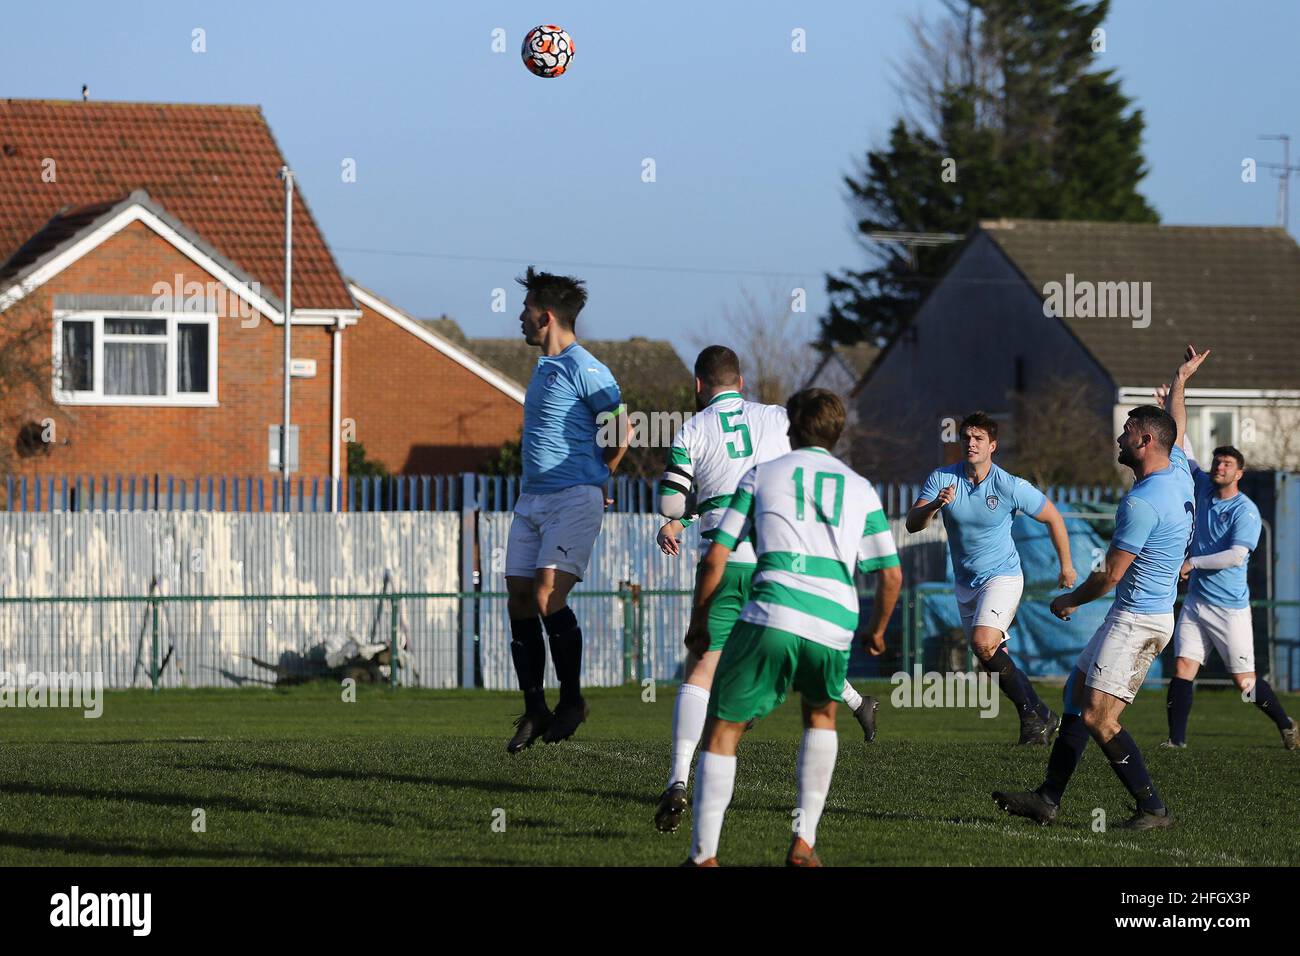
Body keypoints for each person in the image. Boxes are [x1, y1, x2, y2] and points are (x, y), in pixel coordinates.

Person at [652, 347, 881, 834]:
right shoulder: (777, 417)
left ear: (699, 386)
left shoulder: (693, 429)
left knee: (703, 667)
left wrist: (677, 517)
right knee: (798, 651)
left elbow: (674, 499)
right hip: (780, 559)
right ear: (741, 379)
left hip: (726, 557)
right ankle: (853, 714)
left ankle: (677, 782)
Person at [683, 389, 902, 866]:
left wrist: (700, 620)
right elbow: (890, 574)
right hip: (834, 619)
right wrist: (879, 630)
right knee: (821, 716)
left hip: (773, 611)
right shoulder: (861, 488)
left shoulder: (762, 474)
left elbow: (717, 555)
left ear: (791, 428)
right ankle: (804, 841)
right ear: (838, 433)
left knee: (723, 729)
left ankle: (704, 857)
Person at [993, 345, 1206, 830]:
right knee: (1075, 695)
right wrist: (1181, 380)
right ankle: (1048, 798)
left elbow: (1110, 574)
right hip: (1137, 615)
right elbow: (1176, 426)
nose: (1120, 435)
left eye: (1129, 431)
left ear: (1146, 441)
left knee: (1099, 718)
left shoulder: (1145, 501)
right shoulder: (1176, 473)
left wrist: (1068, 599)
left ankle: (1153, 809)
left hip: (1138, 621)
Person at [504, 267, 628, 754]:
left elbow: (622, 430)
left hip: (573, 496)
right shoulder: (543, 368)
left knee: (545, 597)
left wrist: (601, 478)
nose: (520, 316)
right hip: (531, 498)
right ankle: (535, 708)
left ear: (546, 315)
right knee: (518, 597)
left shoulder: (587, 367)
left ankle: (572, 702)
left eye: (526, 309)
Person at [906, 412, 1076, 743]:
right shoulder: (942, 479)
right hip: (965, 582)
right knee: (992, 657)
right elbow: (913, 524)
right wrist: (932, 508)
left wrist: (1066, 565)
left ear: (992, 446)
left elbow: (1054, 517)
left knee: (984, 644)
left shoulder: (1010, 485)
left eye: (978, 438)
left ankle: (1032, 719)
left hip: (1002, 577)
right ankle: (1041, 714)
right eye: (966, 437)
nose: (970, 443)